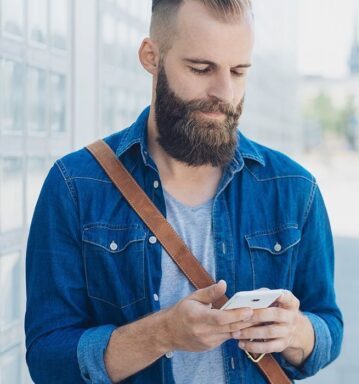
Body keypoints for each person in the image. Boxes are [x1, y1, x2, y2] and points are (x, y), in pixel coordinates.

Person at [24, 1, 342, 382]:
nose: (225, 92)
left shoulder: (294, 189)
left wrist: (294, 332)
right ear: (151, 57)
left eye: (239, 71)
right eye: (201, 68)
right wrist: (162, 334)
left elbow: (328, 327)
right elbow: (47, 359)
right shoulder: (74, 187)